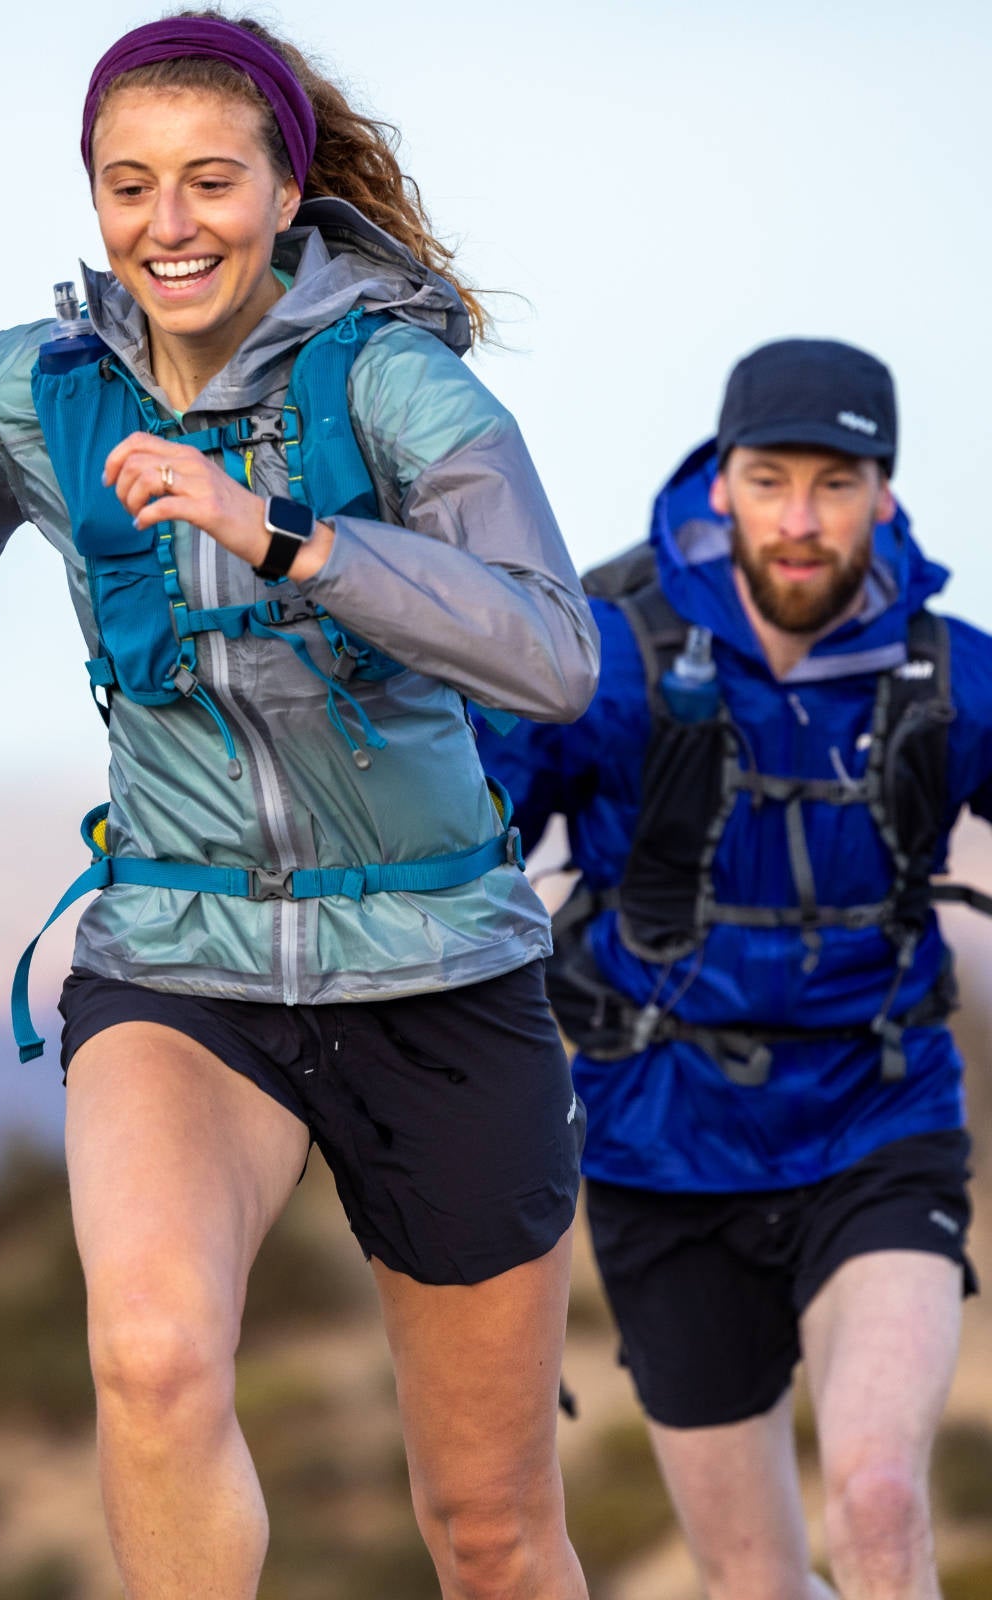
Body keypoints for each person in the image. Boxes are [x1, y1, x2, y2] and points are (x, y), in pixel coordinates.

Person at [0, 13, 600, 1597]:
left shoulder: (394, 384)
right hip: (179, 958)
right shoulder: (31, 391)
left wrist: (290, 537)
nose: (167, 224)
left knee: (491, 1532)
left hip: (443, 972)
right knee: (152, 1361)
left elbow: (551, 651)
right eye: (130, 187)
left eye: (209, 181)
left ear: (283, 188)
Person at [478, 336, 989, 1600]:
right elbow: (463, 836)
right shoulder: (606, 653)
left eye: (837, 483)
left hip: (880, 1118)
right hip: (661, 1148)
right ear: (721, 480)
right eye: (771, 480)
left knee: (877, 1501)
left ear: (887, 491)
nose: (802, 520)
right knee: (753, 1582)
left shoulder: (950, 673)